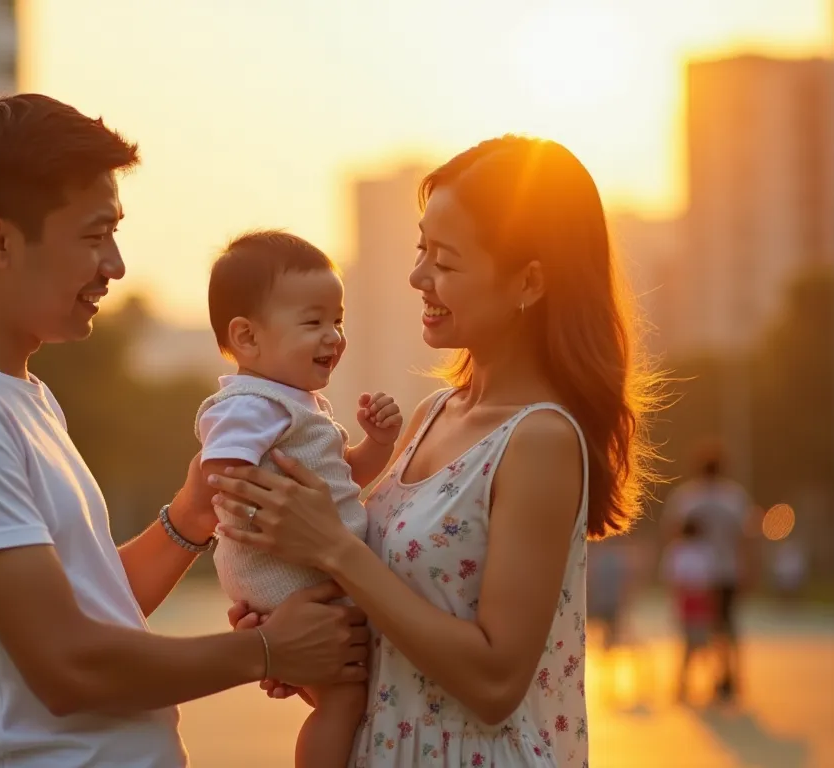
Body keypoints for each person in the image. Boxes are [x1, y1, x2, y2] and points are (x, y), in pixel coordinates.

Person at [0, 94, 368, 768]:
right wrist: (269, 651)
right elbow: (69, 666)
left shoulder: (16, 396)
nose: (116, 265)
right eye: (95, 236)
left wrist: (191, 515)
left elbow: (90, 607)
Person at [214, 136, 658, 767]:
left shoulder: (538, 440)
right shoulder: (433, 414)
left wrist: (333, 550)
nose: (418, 276)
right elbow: (393, 608)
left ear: (527, 281)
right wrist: (299, 630)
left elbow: (496, 682)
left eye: (444, 261)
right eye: (421, 248)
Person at [198, 230, 403, 768]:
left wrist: (377, 444)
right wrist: (252, 516)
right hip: (285, 571)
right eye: (313, 323)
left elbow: (344, 480)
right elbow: (218, 470)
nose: (333, 336)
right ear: (246, 338)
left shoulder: (300, 406)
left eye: (337, 320)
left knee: (344, 688)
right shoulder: (250, 404)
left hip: (300, 566)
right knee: (343, 698)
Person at [661, 440, 754, 704]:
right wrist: (747, 569)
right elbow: (744, 537)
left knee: (692, 630)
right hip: (725, 572)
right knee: (726, 628)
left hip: (695, 577)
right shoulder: (734, 497)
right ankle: (728, 678)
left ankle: (685, 682)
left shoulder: (686, 498)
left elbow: (673, 533)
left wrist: (677, 567)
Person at [659, 518, 714, 703]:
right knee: (696, 645)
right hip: (697, 601)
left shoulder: (678, 551)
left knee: (691, 645)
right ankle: (691, 684)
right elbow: (707, 580)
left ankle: (685, 684)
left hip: (688, 601)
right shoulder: (702, 551)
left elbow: (672, 580)